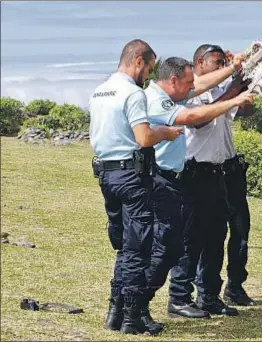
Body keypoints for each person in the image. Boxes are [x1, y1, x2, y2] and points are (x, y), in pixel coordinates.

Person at [143, 55, 254, 321]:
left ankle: (209, 296)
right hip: (188, 174)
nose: (194, 84)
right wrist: (234, 95)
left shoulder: (186, 89)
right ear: (199, 62)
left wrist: (235, 71)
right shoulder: (168, 97)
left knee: (216, 236)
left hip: (217, 173)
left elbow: (205, 87)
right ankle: (179, 297)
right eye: (217, 62)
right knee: (189, 239)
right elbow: (196, 119)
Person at [88, 39, 183, 335]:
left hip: (107, 175)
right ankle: (132, 318)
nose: (149, 77)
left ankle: (115, 313)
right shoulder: (132, 93)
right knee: (137, 248)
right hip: (132, 177)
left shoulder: (100, 90)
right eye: (149, 69)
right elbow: (143, 138)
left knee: (123, 246)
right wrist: (165, 133)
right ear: (138, 61)